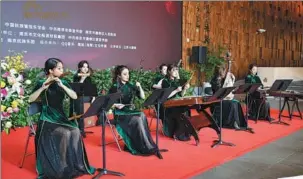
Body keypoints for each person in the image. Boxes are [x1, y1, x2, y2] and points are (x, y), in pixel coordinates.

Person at [29, 58, 95, 179]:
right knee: (65, 133)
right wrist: (42, 88)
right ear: (50, 70)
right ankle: (62, 164)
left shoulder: (63, 81)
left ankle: (72, 163)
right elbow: (30, 99)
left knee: (75, 131)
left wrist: (62, 86)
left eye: (62, 68)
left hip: (60, 117)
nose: (62, 70)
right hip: (47, 118)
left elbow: (74, 96)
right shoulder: (41, 83)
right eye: (59, 68)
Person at [108, 65, 159, 157]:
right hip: (120, 113)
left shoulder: (130, 85)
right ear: (119, 75)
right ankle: (139, 145)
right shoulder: (114, 87)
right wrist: (116, 105)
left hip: (129, 111)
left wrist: (139, 87)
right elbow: (108, 103)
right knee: (138, 118)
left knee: (142, 115)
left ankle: (145, 144)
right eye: (125, 74)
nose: (127, 76)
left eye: (128, 74)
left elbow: (142, 97)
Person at [210, 65, 247, 129]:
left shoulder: (223, 78)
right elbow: (219, 91)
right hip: (217, 100)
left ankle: (240, 123)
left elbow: (229, 87)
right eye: (223, 72)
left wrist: (232, 79)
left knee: (237, 103)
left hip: (224, 99)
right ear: (219, 73)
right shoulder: (214, 80)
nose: (225, 73)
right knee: (232, 104)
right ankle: (232, 123)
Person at [160, 64, 191, 141]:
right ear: (169, 71)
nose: (176, 72)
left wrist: (185, 89)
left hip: (177, 102)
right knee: (180, 111)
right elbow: (166, 96)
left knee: (187, 108)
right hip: (168, 104)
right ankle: (177, 133)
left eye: (177, 70)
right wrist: (176, 90)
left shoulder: (177, 81)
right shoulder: (165, 81)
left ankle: (182, 131)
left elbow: (181, 94)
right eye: (174, 70)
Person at [71, 60, 95, 137]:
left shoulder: (89, 77)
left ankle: (99, 121)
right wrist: (82, 79)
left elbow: (91, 89)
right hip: (78, 97)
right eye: (83, 67)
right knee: (80, 102)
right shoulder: (76, 76)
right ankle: (81, 129)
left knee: (98, 102)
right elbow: (76, 90)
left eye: (87, 67)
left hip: (87, 96)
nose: (85, 69)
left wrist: (93, 97)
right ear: (79, 68)